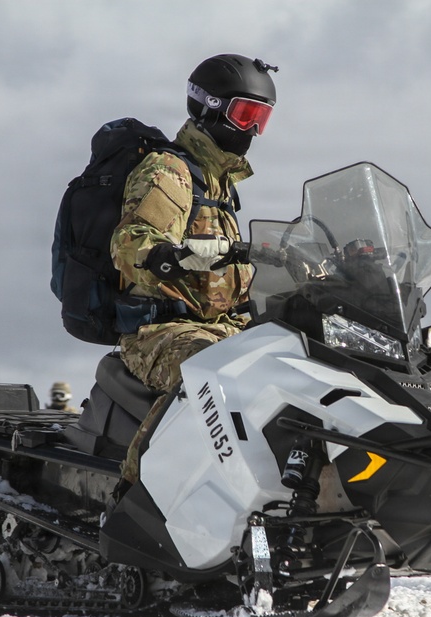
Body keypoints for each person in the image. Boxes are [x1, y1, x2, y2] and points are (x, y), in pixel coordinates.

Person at [110, 53, 278, 486]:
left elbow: (233, 265)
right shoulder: (171, 172)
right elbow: (132, 244)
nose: (253, 130)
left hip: (223, 327)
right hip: (164, 332)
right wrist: (169, 256)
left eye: (261, 118)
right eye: (245, 115)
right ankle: (136, 499)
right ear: (211, 107)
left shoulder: (219, 185)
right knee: (209, 373)